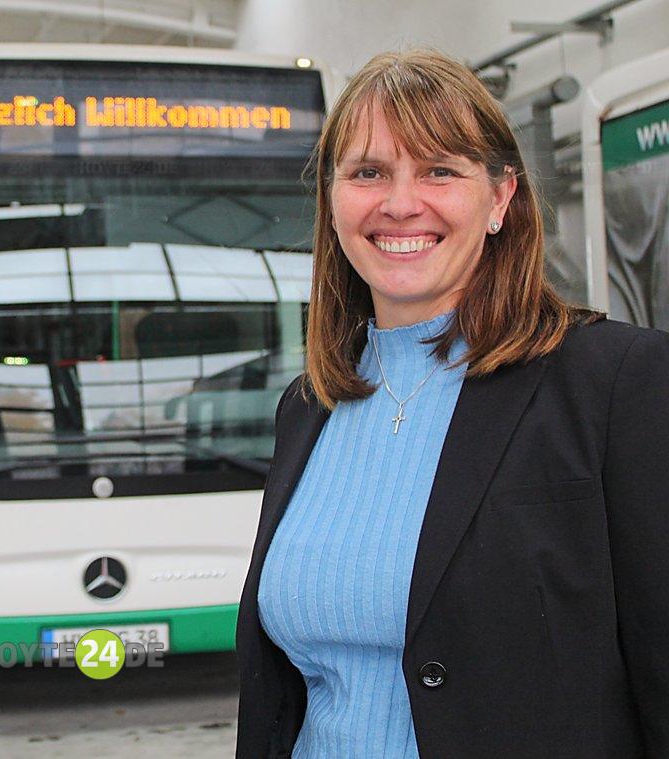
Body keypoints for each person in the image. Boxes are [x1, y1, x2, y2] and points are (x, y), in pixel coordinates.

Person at [236, 49, 669, 758]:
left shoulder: (616, 382)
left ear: (501, 198)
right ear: (333, 201)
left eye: (440, 169)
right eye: (368, 172)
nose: (400, 202)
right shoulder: (308, 405)